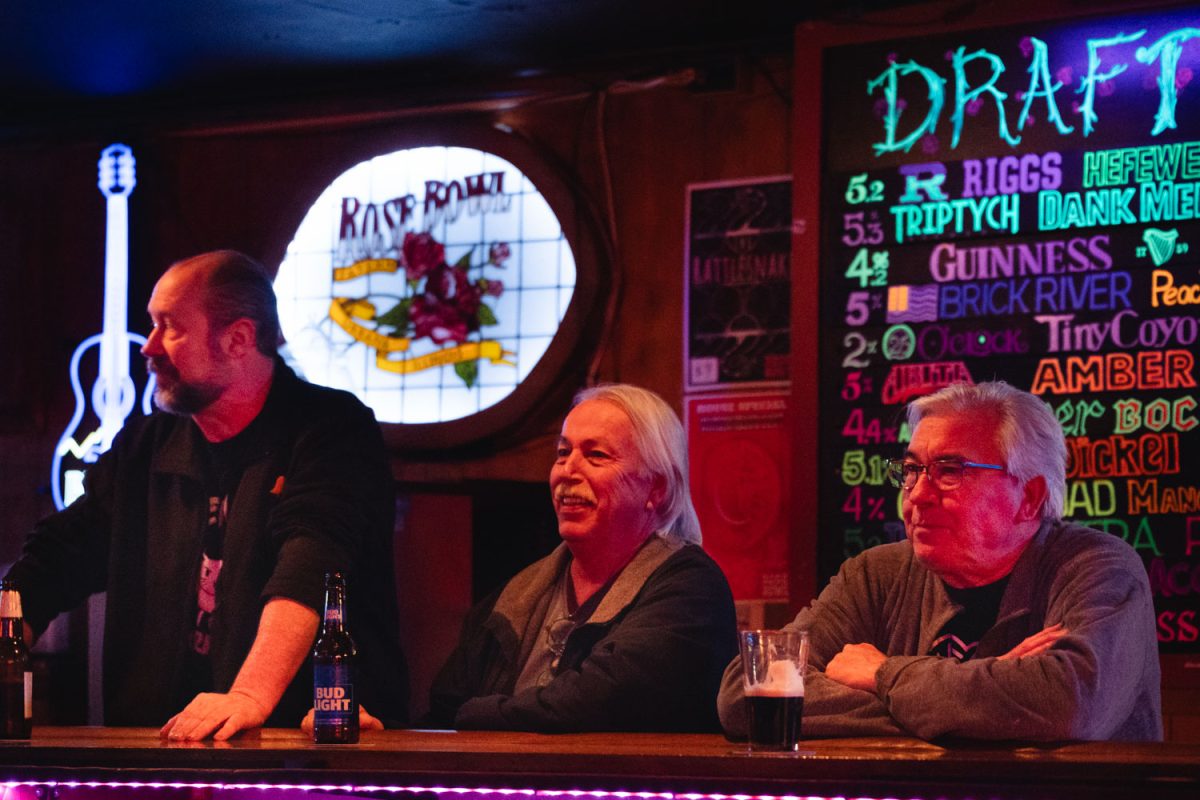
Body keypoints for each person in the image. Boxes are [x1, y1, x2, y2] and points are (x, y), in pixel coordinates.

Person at [7, 250, 407, 739]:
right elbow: (58, 557)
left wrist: (248, 696)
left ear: (238, 339)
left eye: (168, 327)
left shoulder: (331, 430)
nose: (148, 348)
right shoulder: (145, 444)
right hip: (160, 751)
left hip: (300, 751)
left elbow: (313, 563)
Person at [718, 381, 1162, 742]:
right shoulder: (875, 574)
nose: (917, 495)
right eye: (911, 470)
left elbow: (1071, 705)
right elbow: (749, 694)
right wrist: (978, 705)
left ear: (1029, 498)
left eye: (950, 471)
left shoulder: (1099, 568)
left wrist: (883, 674)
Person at [307, 383, 736, 734]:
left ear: (655, 490)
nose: (567, 470)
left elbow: (597, 701)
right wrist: (382, 734)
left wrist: (477, 715)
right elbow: (442, 724)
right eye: (563, 452)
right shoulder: (511, 599)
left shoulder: (689, 589)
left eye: (596, 455)